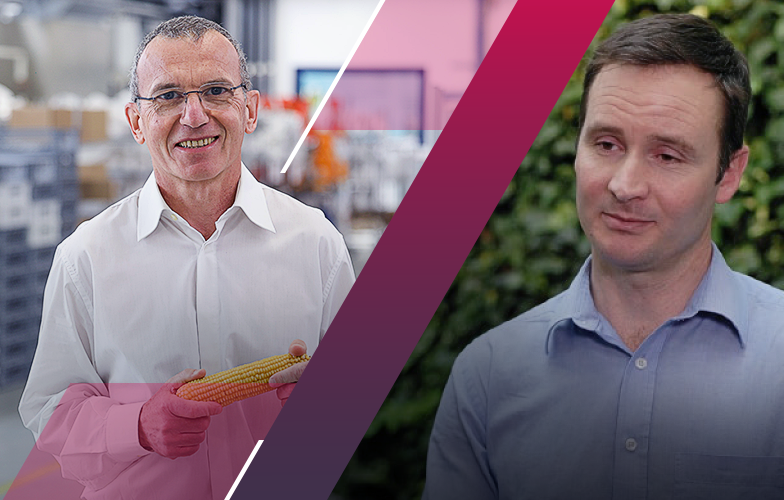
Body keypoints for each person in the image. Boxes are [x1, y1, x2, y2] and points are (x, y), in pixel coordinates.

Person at [424, 13, 784, 500]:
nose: (624, 185)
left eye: (667, 156)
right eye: (607, 144)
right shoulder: (487, 377)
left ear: (728, 174)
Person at [18, 15, 355, 500]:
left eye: (216, 91)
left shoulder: (316, 244)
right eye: (169, 96)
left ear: (251, 109)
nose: (194, 115)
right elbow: (51, 410)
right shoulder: (85, 257)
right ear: (136, 122)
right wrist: (136, 425)